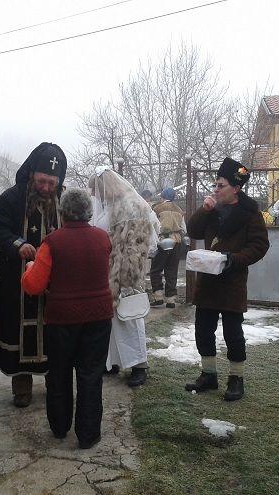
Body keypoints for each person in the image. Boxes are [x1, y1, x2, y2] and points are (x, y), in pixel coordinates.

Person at [21, 188, 113, 449]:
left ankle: (59, 427)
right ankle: (88, 434)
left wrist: (29, 267)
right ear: (88, 212)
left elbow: (34, 286)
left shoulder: (52, 242)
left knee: (59, 373)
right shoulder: (103, 238)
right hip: (99, 316)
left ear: (62, 213)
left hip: (62, 319)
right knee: (91, 374)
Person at [0, 142, 67, 407]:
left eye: (52, 183)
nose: (46, 188)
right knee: (18, 331)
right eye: (42, 181)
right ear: (31, 174)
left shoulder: (63, 202)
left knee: (52, 333)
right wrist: (17, 244)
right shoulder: (11, 198)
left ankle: (55, 384)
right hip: (17, 281)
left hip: (54, 284)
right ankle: (22, 388)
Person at [185, 158, 269, 401]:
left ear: (236, 188)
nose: (216, 189)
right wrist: (204, 210)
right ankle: (208, 375)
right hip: (208, 281)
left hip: (232, 281)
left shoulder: (251, 213)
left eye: (220, 185)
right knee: (203, 330)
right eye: (215, 184)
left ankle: (236, 378)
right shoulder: (212, 210)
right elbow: (193, 231)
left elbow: (259, 246)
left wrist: (233, 259)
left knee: (233, 333)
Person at [90, 167, 160, 387]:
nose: (93, 194)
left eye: (95, 189)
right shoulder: (107, 207)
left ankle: (139, 365)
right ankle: (113, 361)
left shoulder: (131, 206)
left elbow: (139, 242)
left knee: (129, 317)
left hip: (123, 271)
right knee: (109, 320)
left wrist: (127, 273)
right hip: (106, 269)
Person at [149, 187, 186, 309]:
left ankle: (158, 297)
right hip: (176, 242)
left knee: (156, 269)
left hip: (162, 241)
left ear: (163, 196)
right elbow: (184, 229)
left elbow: (153, 226)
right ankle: (171, 299)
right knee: (172, 270)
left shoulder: (156, 208)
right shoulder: (179, 210)